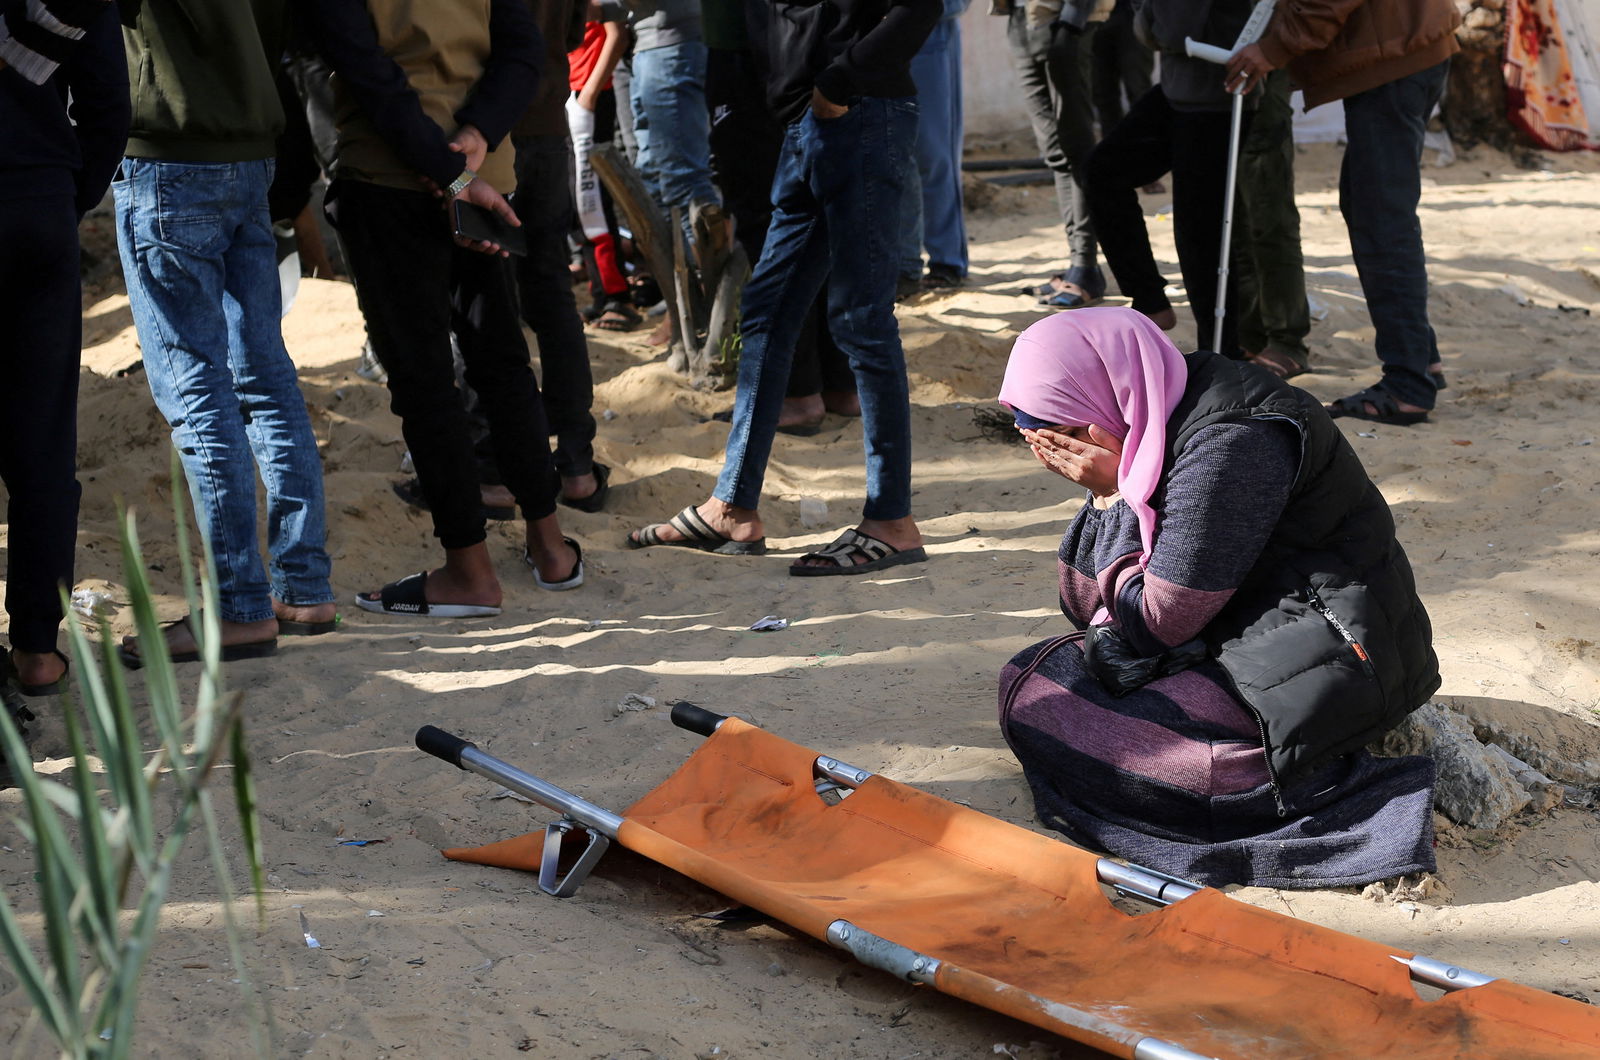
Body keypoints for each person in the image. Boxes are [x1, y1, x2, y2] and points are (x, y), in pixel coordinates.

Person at [995, 307, 1440, 888]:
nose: (1055, 452)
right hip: (1232, 637)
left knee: (1148, 751)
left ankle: (1268, 784)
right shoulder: (1153, 413)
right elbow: (1083, 606)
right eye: (1034, 432)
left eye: (1064, 431)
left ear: (1106, 396)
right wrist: (1106, 497)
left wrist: (1112, 498)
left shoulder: (1234, 441)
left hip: (1328, 660)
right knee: (1028, 680)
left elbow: (1156, 622)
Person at [627, 0, 940, 575]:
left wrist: (839, 83)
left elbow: (921, 10)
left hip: (861, 114)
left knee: (862, 321)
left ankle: (891, 522)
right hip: (802, 125)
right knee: (767, 311)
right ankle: (732, 506)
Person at [302, 0, 583, 617]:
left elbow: (360, 64)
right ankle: (552, 547)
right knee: (501, 361)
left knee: (425, 379)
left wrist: (447, 169)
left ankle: (469, 573)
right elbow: (522, 50)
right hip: (484, 171)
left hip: (391, 177)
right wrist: (474, 142)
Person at [114, 0, 338, 667]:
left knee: (197, 392)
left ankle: (241, 605)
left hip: (172, 155)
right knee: (264, 376)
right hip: (249, 154)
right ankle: (303, 587)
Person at [1225, 0, 1459, 425]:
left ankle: (1408, 386)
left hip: (1393, 57)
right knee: (1377, 211)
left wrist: (1274, 48)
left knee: (1382, 219)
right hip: (1402, 47)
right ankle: (1421, 360)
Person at [0, 0, 127, 706]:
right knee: (44, 446)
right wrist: (62, 195)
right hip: (39, 205)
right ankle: (39, 651)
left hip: (39, 196)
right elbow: (109, 104)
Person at [1084, 0, 1257, 355]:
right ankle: (1150, 300)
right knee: (1104, 170)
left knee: (1201, 234)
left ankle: (1222, 355)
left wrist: (1145, 14)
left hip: (1217, 98)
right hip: (1180, 91)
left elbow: (1173, 30)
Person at [997, 0, 1108, 309]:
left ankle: (1085, 264)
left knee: (1076, 147)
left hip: (1064, 20)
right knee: (1056, 152)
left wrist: (1071, 24)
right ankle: (1080, 265)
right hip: (1022, 20)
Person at [1233, 69, 1311, 380]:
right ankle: (1249, 335)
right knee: (1233, 219)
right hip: (1209, 80)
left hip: (1262, 70)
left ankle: (1285, 339)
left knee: (1269, 217)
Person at [898, 0, 971, 292]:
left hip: (929, 32)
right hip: (875, 38)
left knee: (934, 153)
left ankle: (947, 259)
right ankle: (904, 263)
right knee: (893, 157)